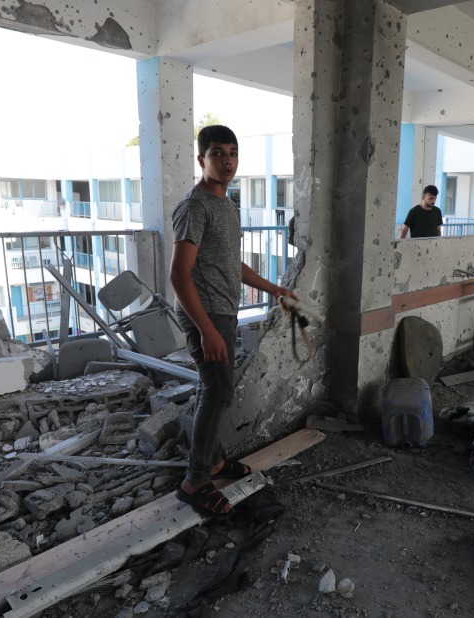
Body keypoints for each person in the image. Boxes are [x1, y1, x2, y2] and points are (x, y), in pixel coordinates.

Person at [171, 125, 296, 518]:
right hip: (205, 315)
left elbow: (232, 263)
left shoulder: (227, 205)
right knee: (219, 392)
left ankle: (216, 462)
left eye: (232, 153)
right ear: (201, 160)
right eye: (217, 153)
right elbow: (179, 275)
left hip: (223, 312)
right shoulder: (195, 207)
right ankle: (195, 482)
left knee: (216, 389)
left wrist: (275, 288)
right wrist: (206, 329)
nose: (226, 161)